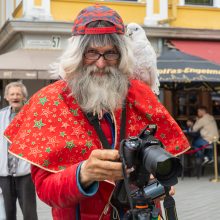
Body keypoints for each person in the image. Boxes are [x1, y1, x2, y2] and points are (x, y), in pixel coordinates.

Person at [4, 5, 190, 220]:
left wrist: (155, 180)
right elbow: (47, 192)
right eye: (91, 52)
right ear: (78, 53)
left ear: (121, 55)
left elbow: (159, 159)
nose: (101, 64)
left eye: (110, 53)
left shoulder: (140, 95)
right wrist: (83, 174)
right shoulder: (49, 102)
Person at [0, 81, 38, 220]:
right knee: (7, 214)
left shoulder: (32, 116)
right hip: (4, 175)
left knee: (30, 214)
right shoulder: (1, 116)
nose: (15, 96)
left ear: (23, 97)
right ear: (6, 97)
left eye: (18, 94)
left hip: (25, 175)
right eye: (12, 94)